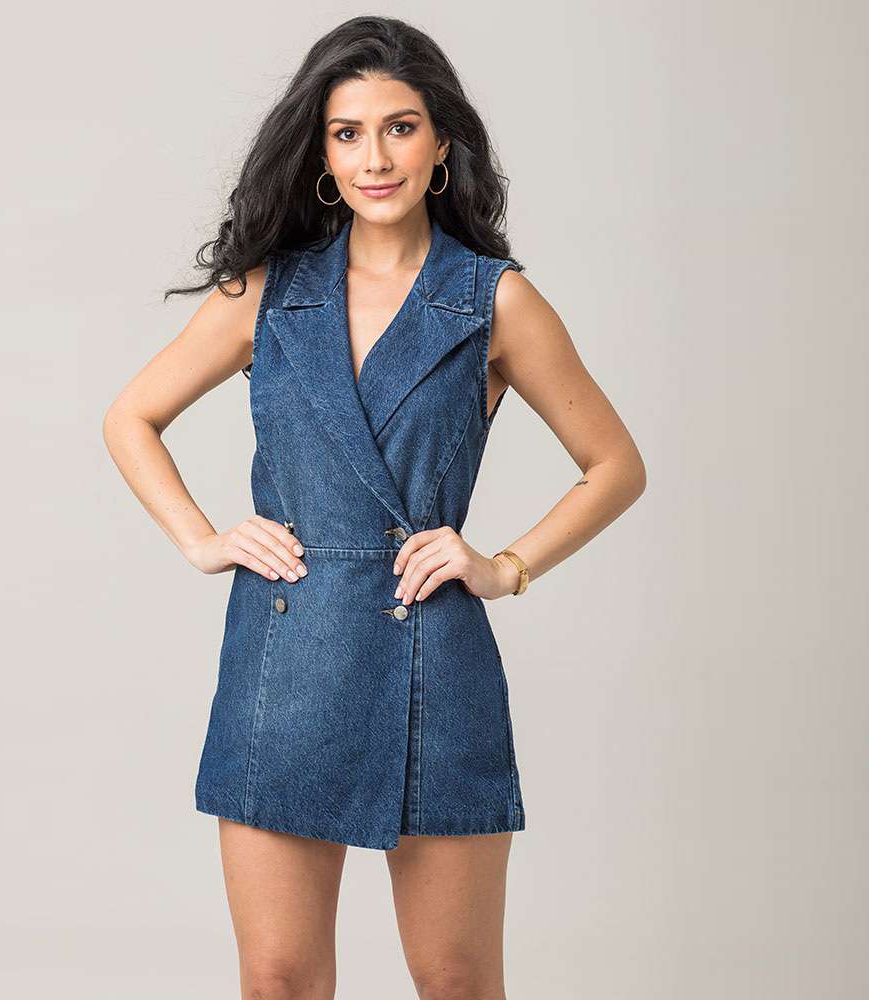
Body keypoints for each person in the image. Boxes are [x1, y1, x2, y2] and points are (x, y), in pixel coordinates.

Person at [103, 15, 646, 1000]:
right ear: (320, 155)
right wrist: (201, 537)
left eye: (399, 127)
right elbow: (130, 416)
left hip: (434, 659)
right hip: (286, 655)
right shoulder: (267, 293)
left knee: (456, 981)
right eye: (347, 133)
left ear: (441, 144)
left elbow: (614, 464)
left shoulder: (491, 300)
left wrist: (505, 567)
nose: (375, 158)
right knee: (277, 980)